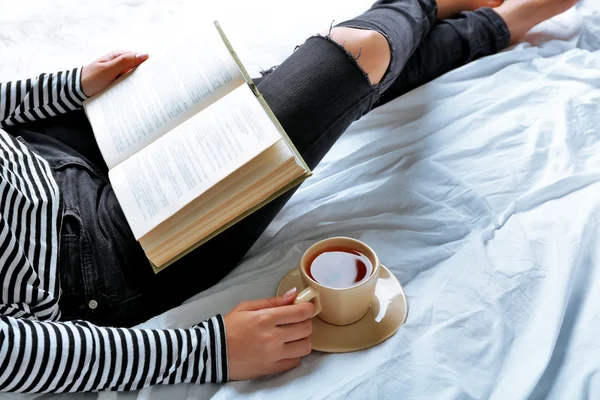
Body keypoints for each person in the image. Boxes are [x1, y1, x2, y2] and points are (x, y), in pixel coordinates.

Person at [0, 0, 577, 393]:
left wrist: (64, 89)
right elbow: (15, 354)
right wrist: (208, 351)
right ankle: (439, 8)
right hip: (97, 257)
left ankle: (485, 25)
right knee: (341, 61)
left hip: (54, 144)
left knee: (285, 100)